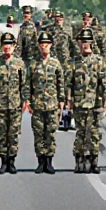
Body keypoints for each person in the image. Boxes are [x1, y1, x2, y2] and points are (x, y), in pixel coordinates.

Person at [69, 28, 106, 173]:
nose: (84, 44)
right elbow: (69, 84)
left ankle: (93, 162)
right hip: (79, 103)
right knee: (80, 134)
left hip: (95, 104)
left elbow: (105, 83)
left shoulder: (99, 61)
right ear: (79, 43)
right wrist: (68, 102)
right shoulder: (74, 62)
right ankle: (79, 161)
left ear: (92, 43)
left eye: (87, 41)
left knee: (94, 134)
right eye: (82, 41)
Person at [0, 32, 27, 174]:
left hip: (15, 104)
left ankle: (12, 161)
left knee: (13, 134)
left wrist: (25, 100)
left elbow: (23, 84)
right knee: (1, 134)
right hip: (0, 104)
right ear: (1, 46)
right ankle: (3, 162)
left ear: (14, 46)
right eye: (5, 45)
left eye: (10, 45)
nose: (7, 47)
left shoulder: (19, 64)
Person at [29, 31, 65, 174]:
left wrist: (61, 100)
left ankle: (49, 162)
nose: (44, 47)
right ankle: (40, 161)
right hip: (37, 104)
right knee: (38, 134)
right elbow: (28, 84)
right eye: (42, 44)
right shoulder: (33, 64)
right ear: (38, 46)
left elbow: (60, 83)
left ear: (51, 45)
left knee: (50, 133)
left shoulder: (56, 64)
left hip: (52, 104)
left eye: (47, 44)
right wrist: (28, 101)